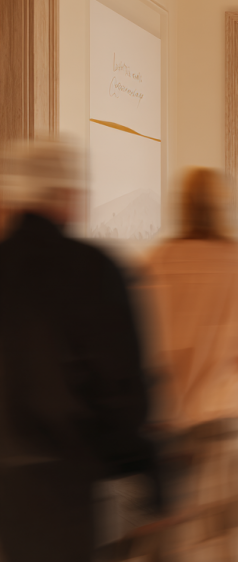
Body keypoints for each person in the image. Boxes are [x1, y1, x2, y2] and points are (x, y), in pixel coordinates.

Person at [0, 140, 156, 562]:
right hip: (65, 477)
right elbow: (123, 384)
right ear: (64, 195)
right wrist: (141, 464)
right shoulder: (92, 268)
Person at [141, 168, 238, 561]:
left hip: (173, 430)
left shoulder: (156, 263)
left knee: (186, 546)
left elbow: (144, 351)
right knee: (235, 547)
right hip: (230, 428)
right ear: (228, 207)